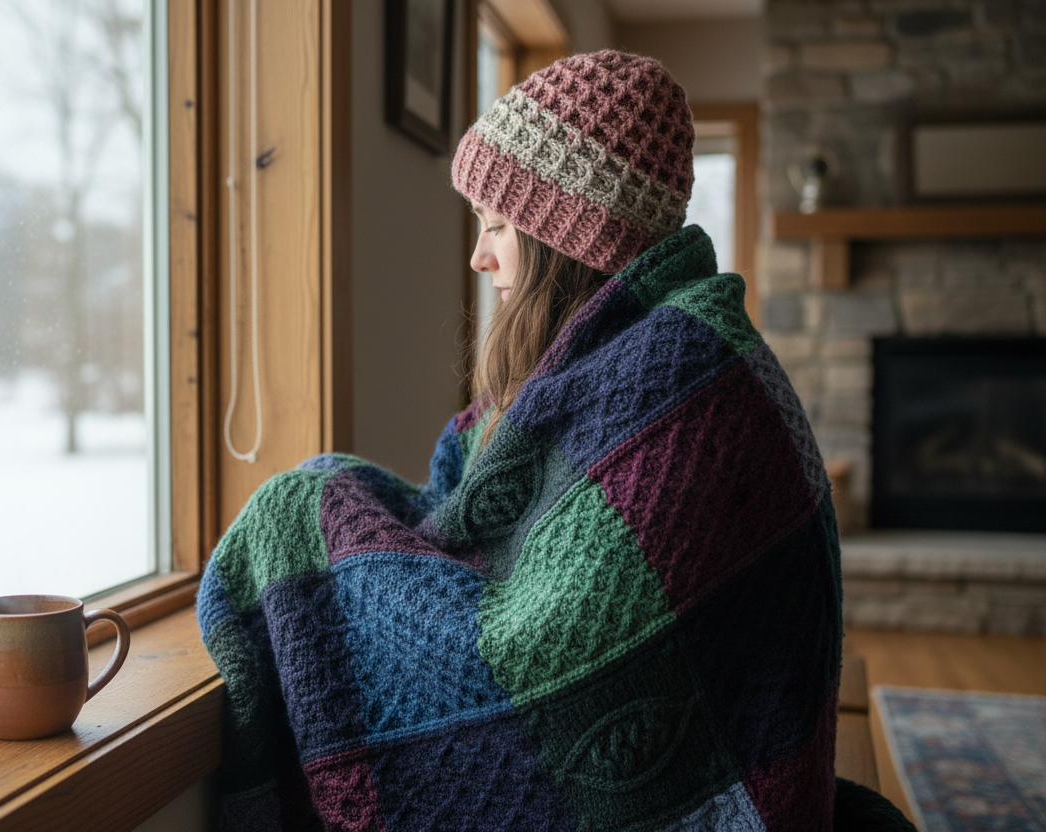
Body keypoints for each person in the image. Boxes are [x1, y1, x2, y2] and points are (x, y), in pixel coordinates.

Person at [198, 50, 843, 831]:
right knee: (323, 488)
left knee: (300, 502)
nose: (479, 254)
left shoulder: (688, 374)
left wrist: (308, 516)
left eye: (498, 223)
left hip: (738, 787)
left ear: (567, 236)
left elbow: (555, 655)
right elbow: (470, 512)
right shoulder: (627, 349)